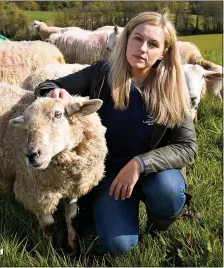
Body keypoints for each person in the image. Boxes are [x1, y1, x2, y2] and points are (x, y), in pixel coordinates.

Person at [34, 12, 197, 254]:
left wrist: (140, 163)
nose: (142, 48)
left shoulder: (173, 88)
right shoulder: (101, 73)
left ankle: (159, 225)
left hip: (155, 172)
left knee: (168, 192)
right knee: (119, 246)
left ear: (163, 52)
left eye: (153, 44)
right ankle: (104, 209)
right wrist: (53, 94)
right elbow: (46, 86)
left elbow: (187, 148)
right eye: (137, 38)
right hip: (110, 175)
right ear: (127, 39)